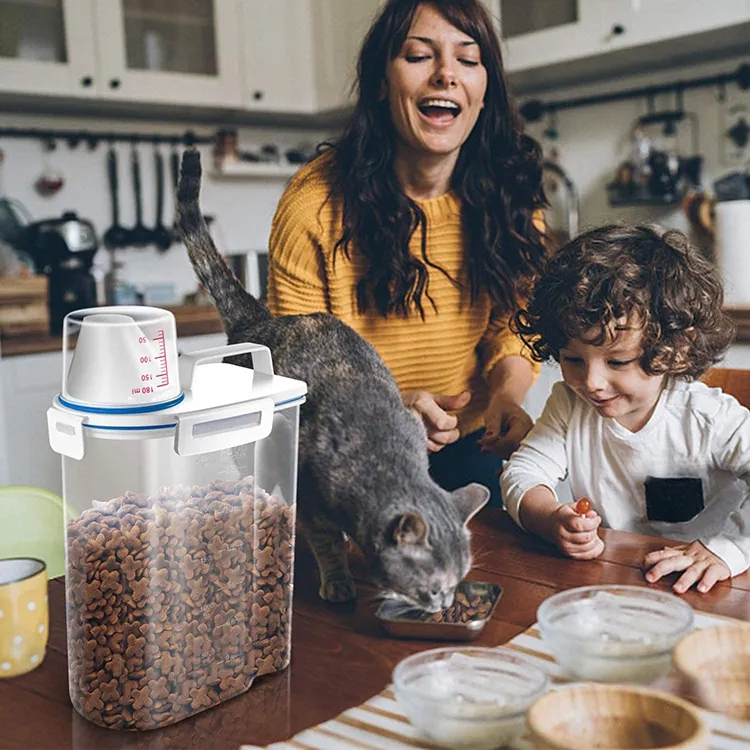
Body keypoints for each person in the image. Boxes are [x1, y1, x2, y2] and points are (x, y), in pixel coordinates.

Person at [266, 0, 547, 505]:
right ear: (381, 82)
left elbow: (513, 325)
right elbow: (296, 366)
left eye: (468, 59)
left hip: (471, 442)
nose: (446, 74)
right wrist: (389, 411)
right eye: (419, 56)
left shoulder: (512, 197)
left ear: (486, 90)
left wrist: (507, 395)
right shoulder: (314, 205)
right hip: (351, 447)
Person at [500, 224, 749, 593]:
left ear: (676, 349)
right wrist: (551, 520)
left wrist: (728, 549)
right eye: (573, 359)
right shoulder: (569, 405)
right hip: (615, 579)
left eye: (617, 362)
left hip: (711, 587)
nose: (592, 382)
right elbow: (523, 472)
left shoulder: (707, 417)